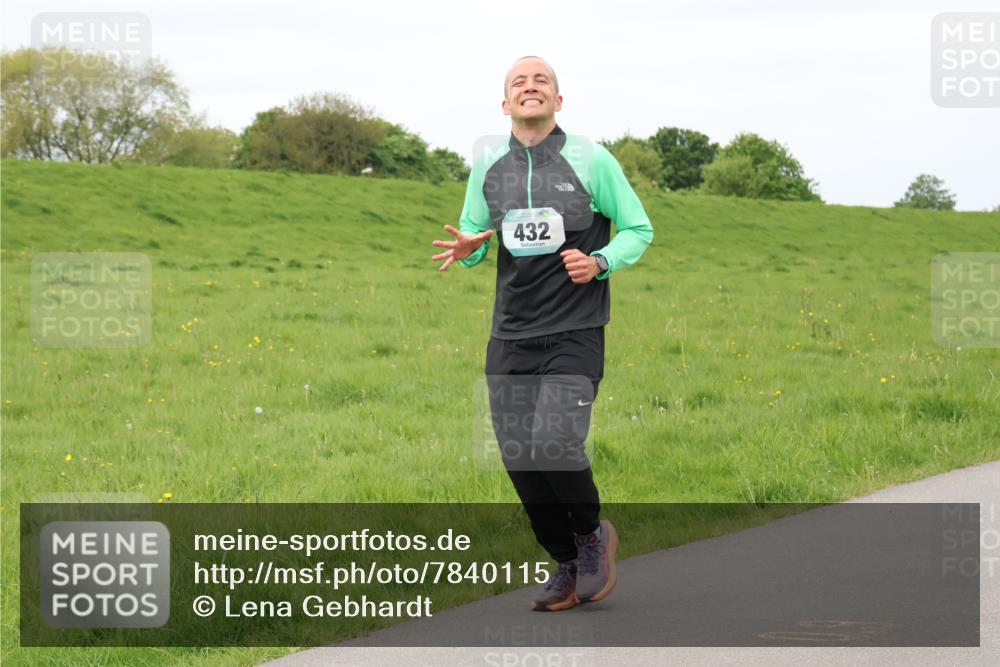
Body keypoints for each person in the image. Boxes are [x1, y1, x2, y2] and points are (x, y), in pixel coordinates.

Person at [431, 55, 654, 611]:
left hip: (575, 328)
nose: (531, 87)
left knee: (554, 441)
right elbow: (474, 244)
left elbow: (638, 228)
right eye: (519, 82)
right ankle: (564, 559)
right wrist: (469, 249)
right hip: (511, 333)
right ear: (505, 104)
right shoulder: (488, 166)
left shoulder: (591, 159)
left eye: (542, 81)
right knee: (517, 456)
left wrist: (600, 261)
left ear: (559, 100)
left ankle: (590, 537)